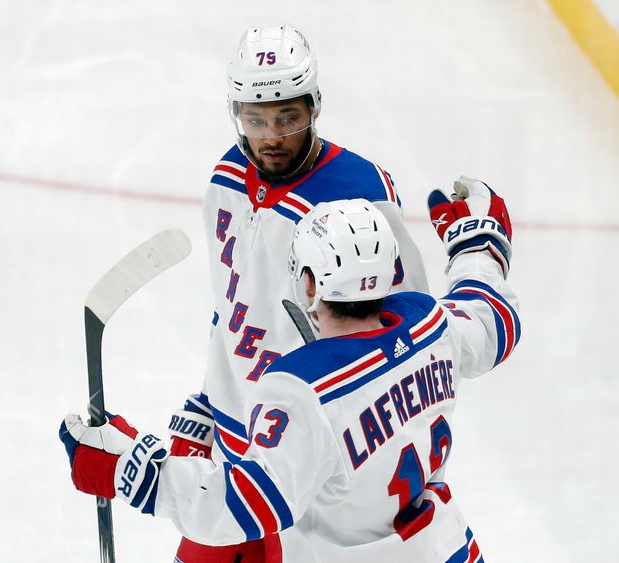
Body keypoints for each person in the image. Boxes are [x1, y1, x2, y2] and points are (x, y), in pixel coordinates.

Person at [59, 177, 521, 562]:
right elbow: (490, 316)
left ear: (308, 283)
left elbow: (244, 504)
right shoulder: (433, 327)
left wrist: (132, 469)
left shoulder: (305, 389)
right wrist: (479, 245)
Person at [165, 23, 429, 560]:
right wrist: (207, 404)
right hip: (236, 449)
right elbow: (231, 308)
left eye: (288, 116)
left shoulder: (359, 194)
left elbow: (402, 330)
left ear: (313, 107)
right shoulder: (225, 178)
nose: (271, 135)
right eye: (255, 118)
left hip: (312, 463)